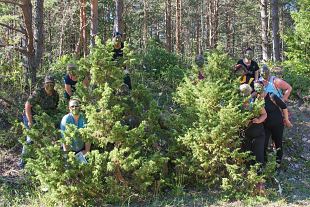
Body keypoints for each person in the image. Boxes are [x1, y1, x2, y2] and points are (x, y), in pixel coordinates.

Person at [20, 75, 60, 168]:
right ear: (44, 84)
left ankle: (41, 161)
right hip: (30, 115)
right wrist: (30, 121)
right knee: (30, 139)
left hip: (43, 118)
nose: (49, 86)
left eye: (51, 84)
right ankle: (22, 164)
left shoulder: (55, 95)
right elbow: (27, 106)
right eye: (47, 84)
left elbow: (54, 109)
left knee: (45, 138)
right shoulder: (38, 93)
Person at [254, 81, 293, 166]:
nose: (259, 90)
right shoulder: (257, 99)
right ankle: (264, 164)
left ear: (263, 86)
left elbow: (284, 107)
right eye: (257, 89)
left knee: (278, 144)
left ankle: (278, 164)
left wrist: (286, 120)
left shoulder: (272, 96)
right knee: (263, 145)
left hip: (277, 124)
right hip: (266, 126)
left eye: (260, 88)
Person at [240, 83, 267, 193]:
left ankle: (260, 185)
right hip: (245, 135)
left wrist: (258, 120)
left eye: (246, 92)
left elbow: (264, 115)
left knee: (259, 158)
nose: (244, 95)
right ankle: (248, 182)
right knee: (247, 156)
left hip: (258, 135)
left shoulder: (255, 103)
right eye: (243, 93)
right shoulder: (238, 104)